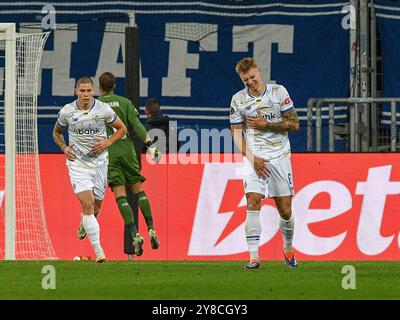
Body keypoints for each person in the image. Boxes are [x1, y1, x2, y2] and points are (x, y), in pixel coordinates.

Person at [230, 57, 300, 270]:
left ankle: (288, 250)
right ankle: (254, 258)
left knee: (285, 210)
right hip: (254, 157)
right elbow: (236, 134)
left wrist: (266, 124)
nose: (250, 82)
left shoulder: (279, 92)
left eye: (252, 77)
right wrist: (252, 159)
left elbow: (295, 124)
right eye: (245, 80)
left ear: (258, 72)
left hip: (279, 157)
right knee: (252, 201)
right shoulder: (238, 100)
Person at [52, 76, 127, 263]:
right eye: (82, 91)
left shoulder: (103, 109)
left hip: (100, 163)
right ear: (76, 91)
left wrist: (107, 142)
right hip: (77, 163)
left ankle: (85, 221)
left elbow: (122, 129)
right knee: (87, 203)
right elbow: (57, 133)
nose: (86, 94)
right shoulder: (67, 112)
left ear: (94, 91)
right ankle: (99, 253)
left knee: (96, 207)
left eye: (89, 91)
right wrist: (64, 148)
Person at [91, 71, 161, 256]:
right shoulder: (125, 102)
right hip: (128, 151)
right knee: (138, 190)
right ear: (114, 86)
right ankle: (151, 228)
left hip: (109, 153)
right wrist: (150, 145)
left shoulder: (95, 105)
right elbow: (137, 125)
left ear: (100, 87)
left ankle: (135, 234)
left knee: (120, 194)